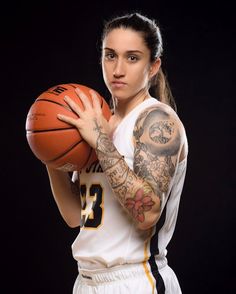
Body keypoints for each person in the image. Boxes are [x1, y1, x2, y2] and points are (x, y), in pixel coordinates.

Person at [46, 12, 188, 294]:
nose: (118, 69)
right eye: (110, 55)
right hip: (87, 280)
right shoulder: (98, 120)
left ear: (153, 66)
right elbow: (76, 216)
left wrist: (100, 142)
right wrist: (51, 156)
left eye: (132, 57)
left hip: (136, 279)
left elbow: (147, 213)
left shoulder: (156, 121)